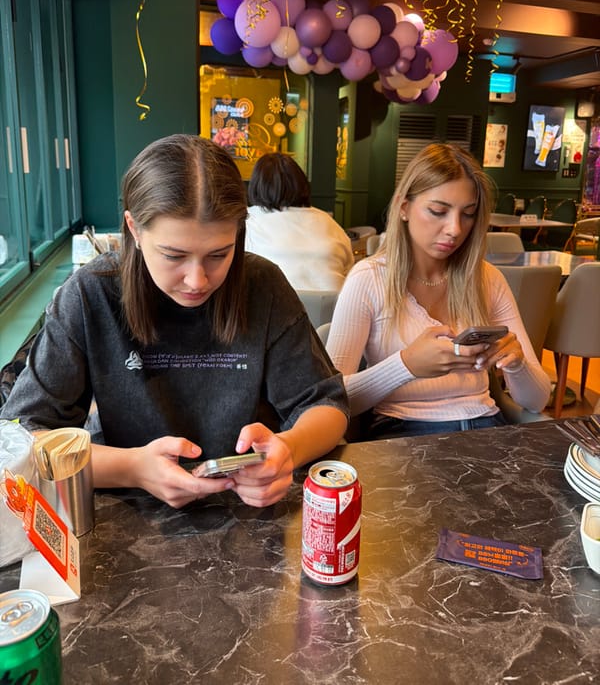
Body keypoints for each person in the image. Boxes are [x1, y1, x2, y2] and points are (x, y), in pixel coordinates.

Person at [1, 135, 349, 507]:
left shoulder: (263, 286)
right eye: (173, 255)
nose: (197, 280)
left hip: (247, 508)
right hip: (125, 510)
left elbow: (327, 406)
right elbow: (20, 441)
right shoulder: (90, 295)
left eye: (219, 254)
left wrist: (288, 449)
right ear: (134, 229)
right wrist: (131, 468)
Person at [325, 143, 551, 438]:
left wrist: (518, 364)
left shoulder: (487, 279)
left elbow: (537, 401)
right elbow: (329, 399)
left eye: (468, 214)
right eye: (438, 211)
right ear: (404, 208)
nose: (455, 229)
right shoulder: (368, 280)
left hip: (486, 428)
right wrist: (406, 365)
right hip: (399, 433)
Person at [245, 152, 354, 291]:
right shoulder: (329, 222)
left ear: (256, 186)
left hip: (275, 308)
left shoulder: (248, 220)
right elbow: (349, 272)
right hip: (332, 310)